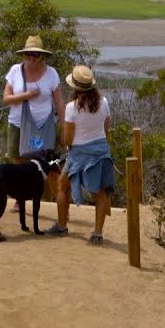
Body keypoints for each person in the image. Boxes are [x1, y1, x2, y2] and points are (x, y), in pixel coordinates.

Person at [45, 66, 114, 244]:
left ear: (75, 87)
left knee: (62, 186)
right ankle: (98, 233)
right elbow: (106, 128)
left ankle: (61, 226)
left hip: (78, 153)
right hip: (100, 151)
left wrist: (71, 146)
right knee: (100, 192)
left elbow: (68, 138)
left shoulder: (71, 108)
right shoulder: (103, 102)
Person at [3, 35, 63, 212]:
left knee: (51, 167)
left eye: (35, 54)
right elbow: (6, 98)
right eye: (28, 54)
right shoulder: (15, 71)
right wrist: (26, 96)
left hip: (44, 126)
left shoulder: (51, 73)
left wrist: (65, 126)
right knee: (19, 162)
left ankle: (61, 202)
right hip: (18, 124)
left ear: (42, 56)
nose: (31, 57)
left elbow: (59, 102)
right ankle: (19, 199)